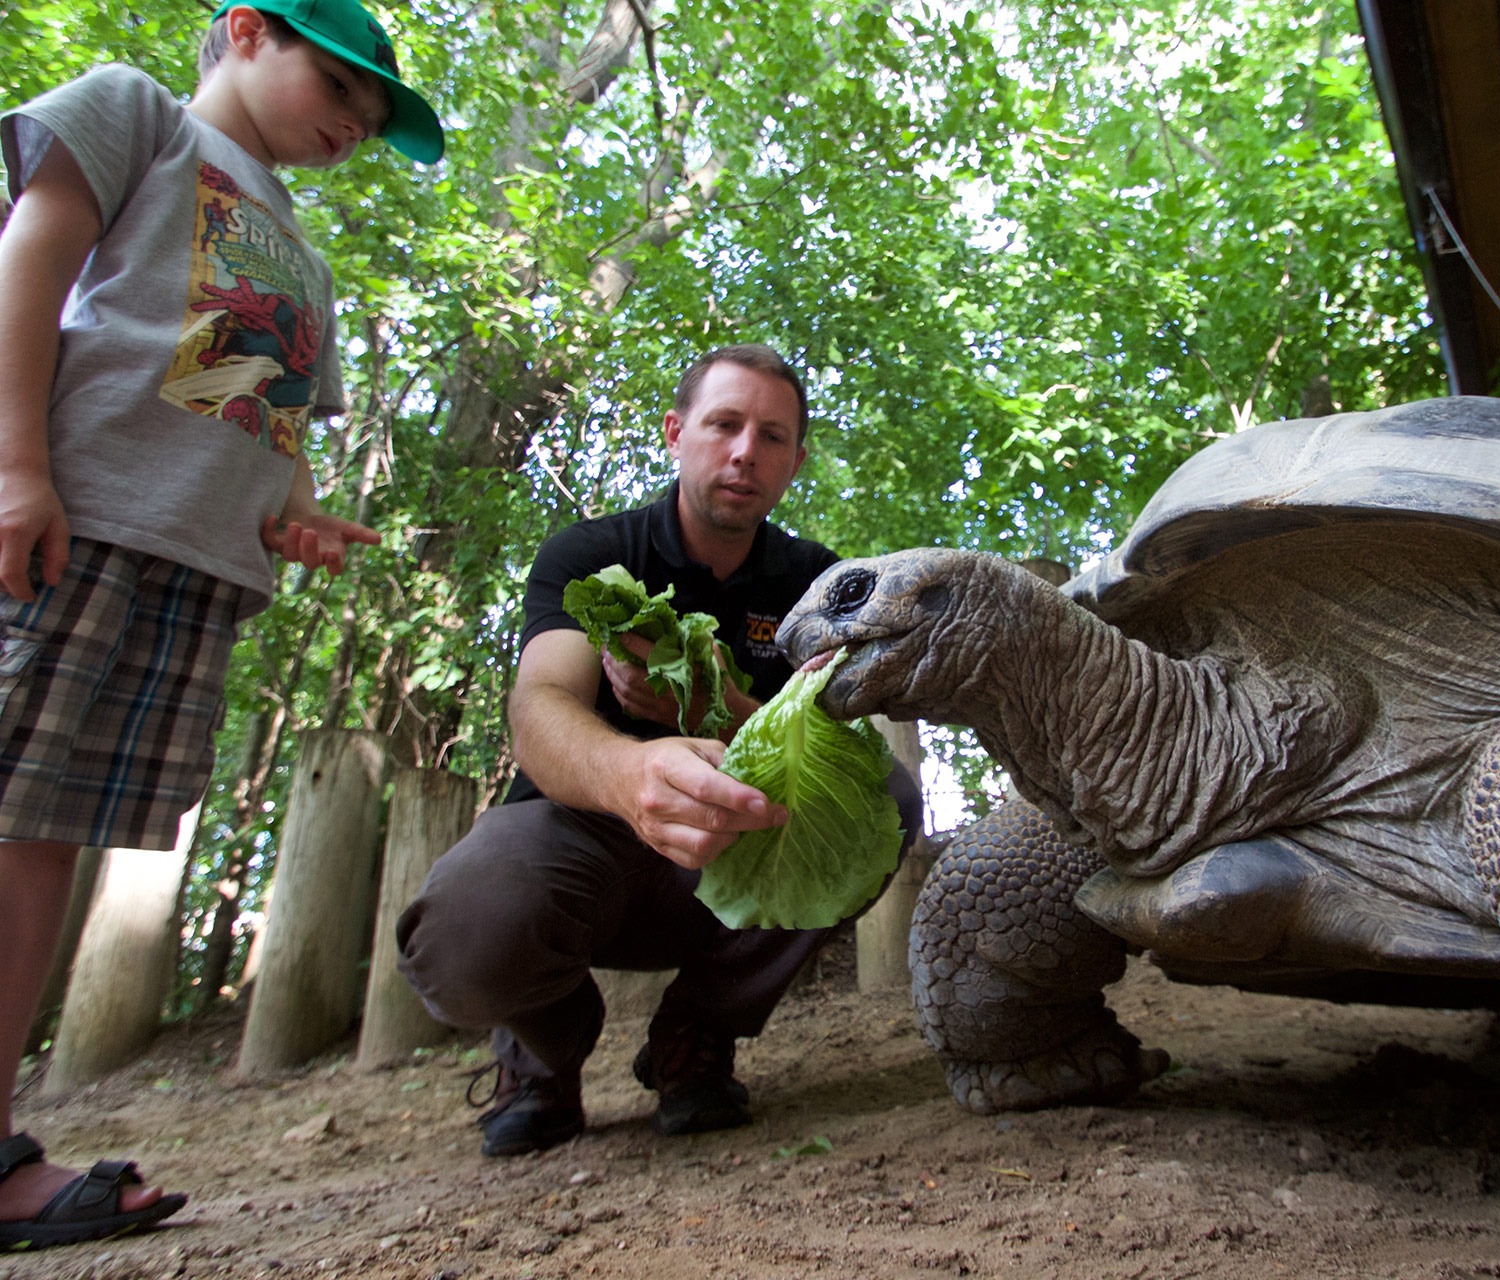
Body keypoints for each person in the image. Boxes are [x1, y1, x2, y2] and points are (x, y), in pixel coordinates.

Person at [0, 0, 442, 1249]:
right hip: (73, 524)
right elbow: (31, 255)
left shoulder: (299, 252)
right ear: (247, 31)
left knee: (42, 832)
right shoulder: (137, 116)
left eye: (372, 117)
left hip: (193, 569)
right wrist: (16, 465)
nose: (355, 124)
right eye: (342, 86)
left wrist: (294, 510)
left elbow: (256, 407)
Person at [396, 344, 923, 1155]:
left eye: (772, 437)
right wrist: (627, 770)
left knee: (883, 799)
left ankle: (697, 1033)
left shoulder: (819, 580)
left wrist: (718, 709)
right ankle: (543, 1055)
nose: (745, 452)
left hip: (728, 849)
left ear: (795, 462)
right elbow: (539, 706)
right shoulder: (590, 554)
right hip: (574, 837)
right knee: (465, 935)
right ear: (677, 433)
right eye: (724, 425)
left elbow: (832, 746)